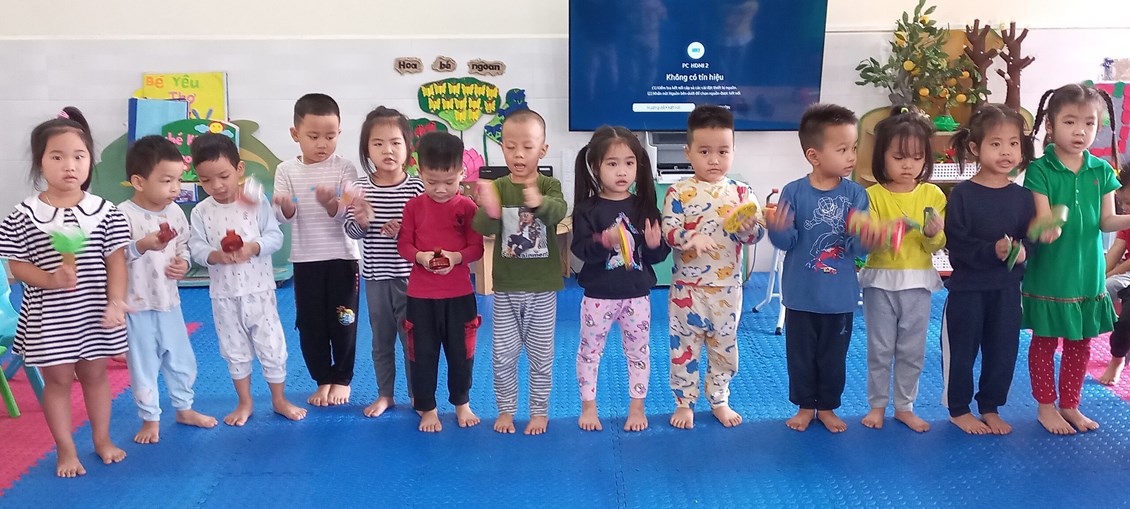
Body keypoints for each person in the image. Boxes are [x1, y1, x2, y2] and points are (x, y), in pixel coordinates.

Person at [0, 107, 130, 476]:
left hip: (93, 312)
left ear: (89, 160)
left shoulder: (105, 212)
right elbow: (16, 266)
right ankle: (65, 448)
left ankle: (102, 439)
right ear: (40, 163)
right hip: (49, 317)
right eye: (57, 157)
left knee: (96, 376)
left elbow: (116, 263)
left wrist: (116, 301)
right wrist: (49, 279)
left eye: (79, 156)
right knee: (57, 380)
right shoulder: (23, 215)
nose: (69, 166)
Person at [1023, 82, 1130, 434]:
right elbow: (1042, 222)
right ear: (1050, 125)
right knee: (1045, 341)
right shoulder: (1040, 170)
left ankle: (1070, 405)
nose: (1080, 131)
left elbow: (1107, 221)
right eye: (1070, 122)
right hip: (1051, 273)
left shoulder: (1101, 171)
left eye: (1089, 123)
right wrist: (1047, 228)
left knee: (1080, 343)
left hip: (1089, 273)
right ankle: (1045, 406)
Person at [768, 103, 876, 433]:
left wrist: (867, 238)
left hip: (839, 298)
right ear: (813, 155)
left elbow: (858, 249)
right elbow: (786, 242)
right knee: (800, 357)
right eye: (842, 149)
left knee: (833, 358)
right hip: (801, 296)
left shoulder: (856, 194)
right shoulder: (794, 191)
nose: (851, 157)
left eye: (854, 148)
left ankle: (827, 406)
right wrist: (777, 229)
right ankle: (805, 406)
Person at [189, 133, 307, 426]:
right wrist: (216, 255)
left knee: (271, 345)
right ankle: (244, 401)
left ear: (239, 169)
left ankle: (279, 399)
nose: (216, 185)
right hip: (223, 295)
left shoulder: (255, 202)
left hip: (259, 290)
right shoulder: (201, 211)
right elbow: (196, 248)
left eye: (223, 176)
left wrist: (253, 247)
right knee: (234, 350)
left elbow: (275, 237)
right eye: (206, 180)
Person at [662, 104, 764, 430]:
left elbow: (756, 233)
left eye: (723, 151)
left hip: (727, 289)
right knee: (684, 347)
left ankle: (719, 398)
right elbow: (668, 231)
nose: (714, 160)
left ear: (733, 151)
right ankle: (684, 401)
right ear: (688, 153)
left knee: (724, 348)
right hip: (687, 291)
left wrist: (749, 230)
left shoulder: (742, 192)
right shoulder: (679, 192)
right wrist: (688, 237)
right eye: (704, 151)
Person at [941, 103, 1037, 435]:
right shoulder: (962, 195)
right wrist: (991, 250)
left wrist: (1023, 252)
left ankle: (990, 406)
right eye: (996, 143)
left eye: (1013, 143)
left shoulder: (1023, 197)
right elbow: (956, 244)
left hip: (1007, 290)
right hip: (967, 290)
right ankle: (958, 409)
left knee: (1002, 352)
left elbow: (1030, 239)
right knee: (962, 352)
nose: (1006, 151)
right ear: (975, 148)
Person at [473, 109, 567, 436]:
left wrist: (539, 201)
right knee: (503, 356)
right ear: (502, 148)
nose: (518, 154)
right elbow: (483, 228)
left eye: (527, 147)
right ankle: (506, 410)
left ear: (542, 149)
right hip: (506, 289)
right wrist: (488, 207)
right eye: (511, 147)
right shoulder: (499, 186)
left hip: (542, 289)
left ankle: (539, 412)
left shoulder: (549, 184)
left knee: (541, 356)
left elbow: (558, 212)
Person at [571, 126, 670, 432]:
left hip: (637, 295)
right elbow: (580, 250)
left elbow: (657, 256)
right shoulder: (587, 209)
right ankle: (589, 408)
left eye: (629, 163)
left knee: (639, 353)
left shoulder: (645, 207)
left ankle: (637, 408)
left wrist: (654, 245)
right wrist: (604, 241)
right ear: (595, 166)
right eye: (612, 164)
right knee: (589, 352)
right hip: (598, 296)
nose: (622, 171)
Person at [121, 135, 218, 444]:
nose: (176, 188)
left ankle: (184, 408)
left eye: (178, 180)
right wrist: (141, 245)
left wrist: (183, 263)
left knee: (181, 359)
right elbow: (114, 256)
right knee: (143, 365)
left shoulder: (175, 212)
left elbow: (182, 245)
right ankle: (150, 418)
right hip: (136, 305)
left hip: (169, 302)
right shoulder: (122, 215)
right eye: (167, 181)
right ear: (138, 182)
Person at [858, 107, 947, 433]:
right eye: (899, 157)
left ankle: (905, 406)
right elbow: (868, 244)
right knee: (880, 349)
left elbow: (935, 245)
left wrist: (932, 233)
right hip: (880, 284)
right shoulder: (872, 195)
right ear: (882, 156)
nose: (908, 165)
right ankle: (877, 405)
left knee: (912, 350)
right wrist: (884, 233)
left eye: (917, 157)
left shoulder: (932, 194)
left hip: (918, 284)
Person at [272, 93, 362, 407]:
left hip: (342, 258)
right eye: (313, 136)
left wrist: (330, 203)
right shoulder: (286, 170)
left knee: (344, 321)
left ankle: (342, 379)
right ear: (295, 134)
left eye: (330, 136)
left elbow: (347, 213)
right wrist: (285, 205)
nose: (322, 144)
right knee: (310, 324)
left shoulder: (345, 168)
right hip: (306, 260)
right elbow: (283, 217)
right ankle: (322, 378)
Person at [397, 131, 484, 432]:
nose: (441, 189)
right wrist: (420, 257)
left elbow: (476, 248)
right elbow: (404, 245)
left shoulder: (468, 207)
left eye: (449, 182)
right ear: (419, 172)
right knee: (422, 354)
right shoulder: (413, 207)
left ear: (461, 172)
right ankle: (427, 408)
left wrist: (456, 258)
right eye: (432, 182)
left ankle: (462, 403)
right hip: (421, 297)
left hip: (459, 295)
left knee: (462, 354)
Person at [344, 106, 424, 417]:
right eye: (378, 144)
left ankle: (418, 395)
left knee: (412, 340)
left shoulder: (417, 188)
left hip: (411, 278)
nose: (387, 150)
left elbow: (427, 234)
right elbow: (351, 231)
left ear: (408, 147)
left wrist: (405, 231)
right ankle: (385, 394)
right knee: (381, 340)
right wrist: (362, 221)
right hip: (376, 278)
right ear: (367, 150)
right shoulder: (360, 189)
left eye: (395, 143)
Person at [1099, 164, 1130, 386]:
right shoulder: (1126, 222)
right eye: (1123, 203)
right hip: (1127, 278)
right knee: (1103, 289)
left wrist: (1111, 273)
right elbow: (1115, 252)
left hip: (1125, 272)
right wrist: (1099, 276)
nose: (1125, 208)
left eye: (1129, 203)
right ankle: (1118, 356)